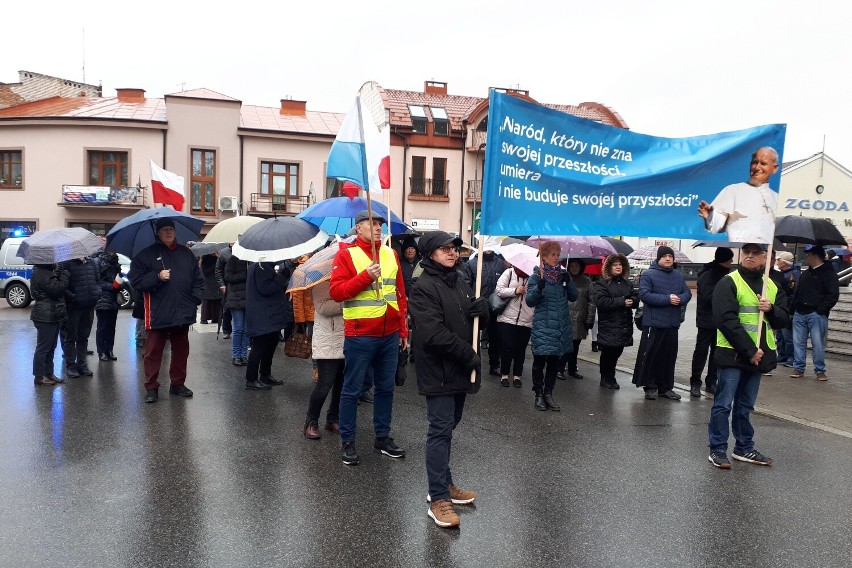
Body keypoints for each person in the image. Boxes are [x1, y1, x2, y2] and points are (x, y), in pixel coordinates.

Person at [408, 231, 486, 528]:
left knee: (449, 427)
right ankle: (438, 496)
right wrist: (468, 355)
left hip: (460, 369)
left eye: (454, 248)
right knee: (440, 430)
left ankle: (445, 483)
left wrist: (484, 311)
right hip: (440, 370)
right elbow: (432, 334)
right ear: (430, 255)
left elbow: (471, 322)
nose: (452, 253)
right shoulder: (424, 288)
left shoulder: (462, 283)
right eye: (444, 249)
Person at [330, 209, 409, 466]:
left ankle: (382, 438)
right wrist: (365, 277)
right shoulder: (346, 254)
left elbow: (399, 294)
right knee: (351, 390)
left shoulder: (390, 253)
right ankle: (348, 441)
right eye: (372, 224)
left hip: (389, 333)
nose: (378, 228)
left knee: (385, 389)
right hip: (360, 335)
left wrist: (403, 329)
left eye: (380, 225)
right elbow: (337, 292)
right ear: (359, 228)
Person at [708, 242, 788, 469]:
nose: (750, 256)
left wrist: (771, 309)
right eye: (747, 252)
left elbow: (784, 320)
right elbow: (726, 320)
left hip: (759, 356)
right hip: (734, 354)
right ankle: (717, 449)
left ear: (766, 258)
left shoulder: (771, 286)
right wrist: (750, 350)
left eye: (756, 253)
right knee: (723, 404)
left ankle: (744, 447)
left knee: (745, 406)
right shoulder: (729, 281)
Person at [129, 218, 205, 403]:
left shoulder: (186, 254)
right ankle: (152, 387)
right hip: (158, 312)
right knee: (153, 351)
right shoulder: (145, 255)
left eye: (171, 229)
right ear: (158, 233)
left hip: (182, 311)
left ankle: (177, 384)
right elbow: (136, 281)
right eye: (165, 230)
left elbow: (198, 280)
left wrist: (195, 299)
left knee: (181, 350)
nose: (169, 232)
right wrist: (157, 276)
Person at [632, 246, 691, 400]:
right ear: (658, 258)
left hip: (672, 323)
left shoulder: (678, 275)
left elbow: (687, 293)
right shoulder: (648, 275)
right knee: (652, 355)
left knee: (669, 357)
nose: (667, 258)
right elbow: (644, 294)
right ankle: (650, 387)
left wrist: (680, 299)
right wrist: (667, 299)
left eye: (670, 256)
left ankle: (665, 388)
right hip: (654, 323)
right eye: (664, 256)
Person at [525, 241, 578, 411]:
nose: (557, 257)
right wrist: (538, 288)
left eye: (558, 254)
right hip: (543, 325)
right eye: (553, 254)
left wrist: (569, 281)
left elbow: (574, 297)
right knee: (540, 361)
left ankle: (549, 394)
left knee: (554, 363)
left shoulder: (562, 277)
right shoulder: (536, 277)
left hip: (560, 326)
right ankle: (538, 394)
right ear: (544, 256)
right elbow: (530, 301)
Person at [697, 147, 780, 243]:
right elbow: (715, 227)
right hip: (739, 252)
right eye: (754, 162)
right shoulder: (732, 190)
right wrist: (710, 216)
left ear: (775, 168)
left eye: (763, 163)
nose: (757, 167)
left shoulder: (776, 198)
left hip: (765, 253)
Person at [789, 245, 839, 381]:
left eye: (808, 255)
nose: (805, 257)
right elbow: (798, 292)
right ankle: (798, 367)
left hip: (816, 314)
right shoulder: (806, 273)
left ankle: (820, 370)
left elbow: (833, 295)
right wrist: (793, 308)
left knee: (818, 344)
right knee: (798, 342)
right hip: (800, 312)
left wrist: (821, 310)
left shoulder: (828, 273)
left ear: (815, 256)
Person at [688, 247, 733, 397]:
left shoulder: (728, 275)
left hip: (721, 320)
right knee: (701, 352)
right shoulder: (707, 275)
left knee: (716, 352)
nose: (732, 262)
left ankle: (711, 382)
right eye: (730, 259)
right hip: (706, 319)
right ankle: (695, 382)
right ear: (724, 260)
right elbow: (707, 298)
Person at [303, 280, 344, 439]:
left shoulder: (346, 278)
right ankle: (311, 422)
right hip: (328, 340)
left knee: (341, 383)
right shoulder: (321, 282)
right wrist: (348, 302)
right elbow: (322, 307)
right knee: (324, 384)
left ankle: (332, 418)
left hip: (346, 338)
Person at [591, 254, 637, 389]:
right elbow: (601, 301)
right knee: (608, 352)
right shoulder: (602, 283)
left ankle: (611, 375)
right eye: (615, 264)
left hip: (624, 324)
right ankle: (606, 376)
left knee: (617, 351)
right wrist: (622, 301)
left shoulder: (627, 283)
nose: (618, 267)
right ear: (609, 267)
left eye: (620, 265)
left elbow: (635, 298)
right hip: (609, 324)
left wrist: (632, 301)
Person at [460, 242, 505, 376]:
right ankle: (471, 364)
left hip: (496, 306)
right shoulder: (472, 264)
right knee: (472, 335)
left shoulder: (500, 263)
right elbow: (466, 283)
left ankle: (494, 365)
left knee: (495, 337)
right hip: (478, 305)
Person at [244, 261, 290, 390]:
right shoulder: (261, 266)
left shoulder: (263, 265)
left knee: (270, 345)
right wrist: (281, 276)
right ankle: (251, 379)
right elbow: (266, 289)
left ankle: (265, 374)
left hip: (268, 314)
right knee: (259, 347)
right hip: (263, 314)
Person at [58, 254, 100, 378]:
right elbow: (62, 286)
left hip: (89, 306)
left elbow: (98, 281)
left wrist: (97, 293)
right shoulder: (67, 263)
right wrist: (73, 297)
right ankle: (70, 366)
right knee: (71, 338)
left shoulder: (91, 263)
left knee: (83, 337)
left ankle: (82, 365)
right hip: (73, 308)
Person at [30, 263, 71, 386]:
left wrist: (57, 273)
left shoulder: (46, 271)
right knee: (44, 347)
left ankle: (48, 373)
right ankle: (39, 376)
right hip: (45, 314)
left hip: (52, 313)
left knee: (51, 347)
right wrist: (64, 275)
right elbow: (57, 289)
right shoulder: (42, 272)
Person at [494, 265, 533, 388]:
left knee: (520, 349)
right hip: (507, 318)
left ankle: (517, 376)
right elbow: (499, 290)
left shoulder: (534, 277)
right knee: (507, 347)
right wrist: (515, 291)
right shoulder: (509, 273)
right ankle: (504, 374)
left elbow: (537, 297)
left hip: (526, 319)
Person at [560, 258, 595, 380]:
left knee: (575, 346)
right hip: (565, 317)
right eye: (572, 265)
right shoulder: (563, 279)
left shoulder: (587, 281)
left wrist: (590, 319)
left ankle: (572, 369)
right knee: (564, 344)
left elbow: (591, 301)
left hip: (579, 318)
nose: (574, 268)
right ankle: (560, 368)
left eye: (577, 266)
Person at [94, 251, 124, 362]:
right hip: (102, 298)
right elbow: (97, 281)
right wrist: (112, 286)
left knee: (111, 327)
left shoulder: (116, 262)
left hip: (113, 300)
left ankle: (109, 350)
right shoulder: (98, 261)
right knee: (102, 327)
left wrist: (119, 284)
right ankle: (101, 351)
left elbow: (119, 278)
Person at [223, 252, 249, 366]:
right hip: (235, 299)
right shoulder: (233, 260)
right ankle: (236, 355)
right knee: (239, 328)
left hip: (249, 298)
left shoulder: (252, 260)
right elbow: (228, 277)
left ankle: (244, 355)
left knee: (246, 329)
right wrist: (244, 274)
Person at [774, 251, 800, 366]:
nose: (777, 262)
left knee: (787, 335)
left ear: (785, 263)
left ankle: (790, 357)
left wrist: (789, 307)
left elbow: (793, 292)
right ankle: (782, 354)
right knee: (780, 334)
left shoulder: (794, 275)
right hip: (779, 307)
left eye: (779, 260)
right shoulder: (781, 274)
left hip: (788, 308)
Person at [215, 243, 233, 338]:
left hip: (241, 285)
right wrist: (222, 284)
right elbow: (218, 270)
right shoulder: (224, 253)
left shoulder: (244, 251)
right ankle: (226, 330)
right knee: (226, 310)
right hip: (227, 285)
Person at [199, 253, 222, 324]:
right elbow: (205, 271)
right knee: (207, 301)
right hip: (208, 282)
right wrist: (215, 265)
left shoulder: (218, 258)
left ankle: (215, 317)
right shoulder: (205, 257)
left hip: (216, 282)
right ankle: (204, 318)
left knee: (216, 300)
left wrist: (218, 258)